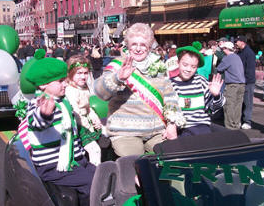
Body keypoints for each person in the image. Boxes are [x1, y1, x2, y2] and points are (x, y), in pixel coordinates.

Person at [94, 23, 185, 157]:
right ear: (128, 46)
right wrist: (118, 77)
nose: (138, 48)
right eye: (134, 44)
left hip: (157, 131)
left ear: (149, 47)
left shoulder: (159, 66)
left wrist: (172, 124)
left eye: (143, 45)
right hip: (125, 131)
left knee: (172, 160)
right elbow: (100, 92)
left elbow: (171, 98)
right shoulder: (118, 65)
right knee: (136, 164)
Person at [24, 51, 95, 206]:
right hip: (53, 166)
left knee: (104, 175)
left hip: (76, 160)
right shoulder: (39, 103)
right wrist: (44, 114)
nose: (65, 83)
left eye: (65, 79)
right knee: (92, 185)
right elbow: (37, 122)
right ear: (43, 85)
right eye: (61, 81)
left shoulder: (63, 101)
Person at [170, 44, 225, 136]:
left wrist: (216, 95)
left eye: (193, 66)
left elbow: (213, 108)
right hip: (182, 129)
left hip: (202, 127)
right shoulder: (170, 85)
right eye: (185, 65)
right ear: (178, 62)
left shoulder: (201, 81)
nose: (188, 69)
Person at [65, 55, 102, 166]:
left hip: (86, 121)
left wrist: (96, 119)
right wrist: (88, 127)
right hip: (78, 125)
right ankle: (96, 175)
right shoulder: (71, 90)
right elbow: (76, 113)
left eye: (85, 73)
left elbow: (88, 108)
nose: (83, 77)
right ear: (71, 74)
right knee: (95, 150)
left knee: (106, 133)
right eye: (79, 73)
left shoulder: (84, 87)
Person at [216, 41, 245, 130]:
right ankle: (236, 124)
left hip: (232, 85)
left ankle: (230, 127)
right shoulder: (237, 57)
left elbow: (219, 68)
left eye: (223, 49)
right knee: (238, 105)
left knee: (229, 105)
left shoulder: (228, 58)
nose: (222, 50)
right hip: (242, 84)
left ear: (226, 49)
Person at [235, 35, 256, 130]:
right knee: (240, 102)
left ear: (242, 42)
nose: (236, 43)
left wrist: (246, 81)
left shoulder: (249, 53)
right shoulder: (239, 52)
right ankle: (240, 119)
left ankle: (247, 121)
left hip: (247, 82)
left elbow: (250, 69)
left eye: (237, 41)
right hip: (240, 80)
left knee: (247, 102)